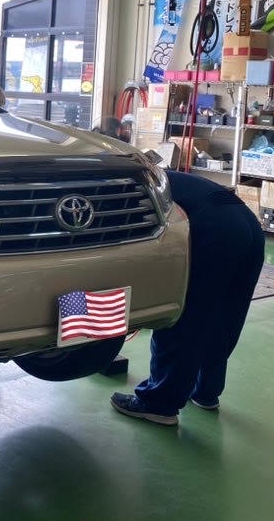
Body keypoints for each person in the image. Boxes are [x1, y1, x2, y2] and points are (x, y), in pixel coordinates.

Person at [110, 170, 265, 426]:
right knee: (225, 315)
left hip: (212, 228)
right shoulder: (151, 174)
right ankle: (205, 391)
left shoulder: (121, 185)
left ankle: (158, 403)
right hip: (247, 223)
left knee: (182, 313)